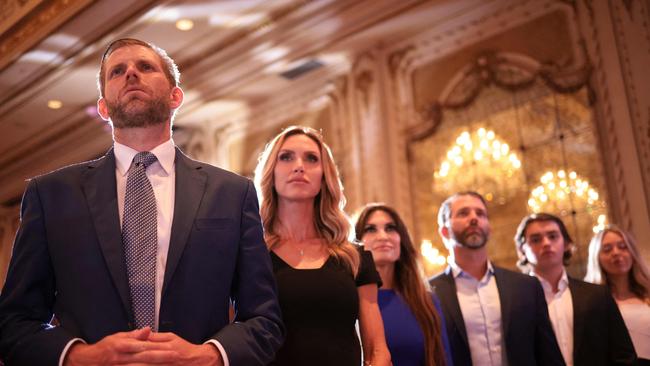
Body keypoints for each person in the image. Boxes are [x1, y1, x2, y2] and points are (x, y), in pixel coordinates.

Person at [0, 38, 283, 366]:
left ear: (176, 96)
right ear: (104, 107)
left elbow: (264, 320)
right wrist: (82, 356)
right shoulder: (51, 195)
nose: (131, 73)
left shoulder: (233, 193)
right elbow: (14, 323)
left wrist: (207, 356)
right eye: (117, 72)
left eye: (145, 67)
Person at [254, 126, 391, 366]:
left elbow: (377, 350)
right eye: (286, 157)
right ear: (271, 173)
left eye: (311, 159)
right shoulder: (251, 255)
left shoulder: (354, 257)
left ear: (324, 176)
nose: (299, 166)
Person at [429, 191, 564, 366]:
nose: (474, 218)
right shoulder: (429, 293)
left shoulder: (525, 287)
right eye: (463, 213)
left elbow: (548, 355)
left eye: (480, 213)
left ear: (489, 228)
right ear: (445, 232)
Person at [514, 213, 636, 366]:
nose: (546, 243)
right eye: (536, 239)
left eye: (553, 236)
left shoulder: (597, 295)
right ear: (522, 249)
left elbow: (623, 355)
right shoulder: (514, 302)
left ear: (566, 244)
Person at [355, 203, 452, 366]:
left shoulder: (427, 301)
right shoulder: (349, 302)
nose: (383, 236)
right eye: (371, 229)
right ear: (356, 240)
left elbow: (443, 360)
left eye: (390, 228)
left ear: (402, 240)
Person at [585, 225, 650, 365]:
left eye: (622, 246)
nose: (616, 253)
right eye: (607, 249)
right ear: (597, 257)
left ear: (632, 252)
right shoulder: (590, 303)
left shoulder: (647, 294)